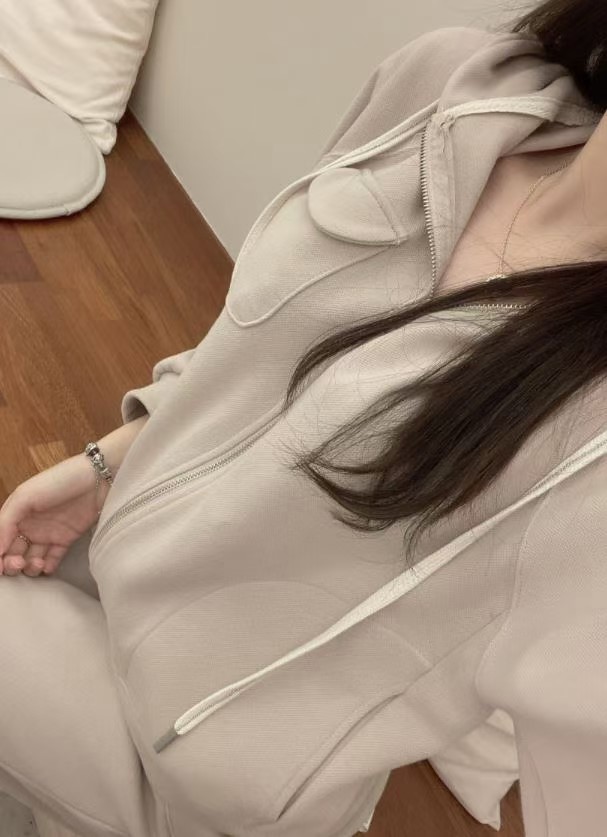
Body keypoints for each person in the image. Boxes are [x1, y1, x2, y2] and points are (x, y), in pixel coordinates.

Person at [0, 4, 606, 836]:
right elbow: (265, 334)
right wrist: (112, 460)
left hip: (182, 776)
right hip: (109, 557)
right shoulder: (455, 88)